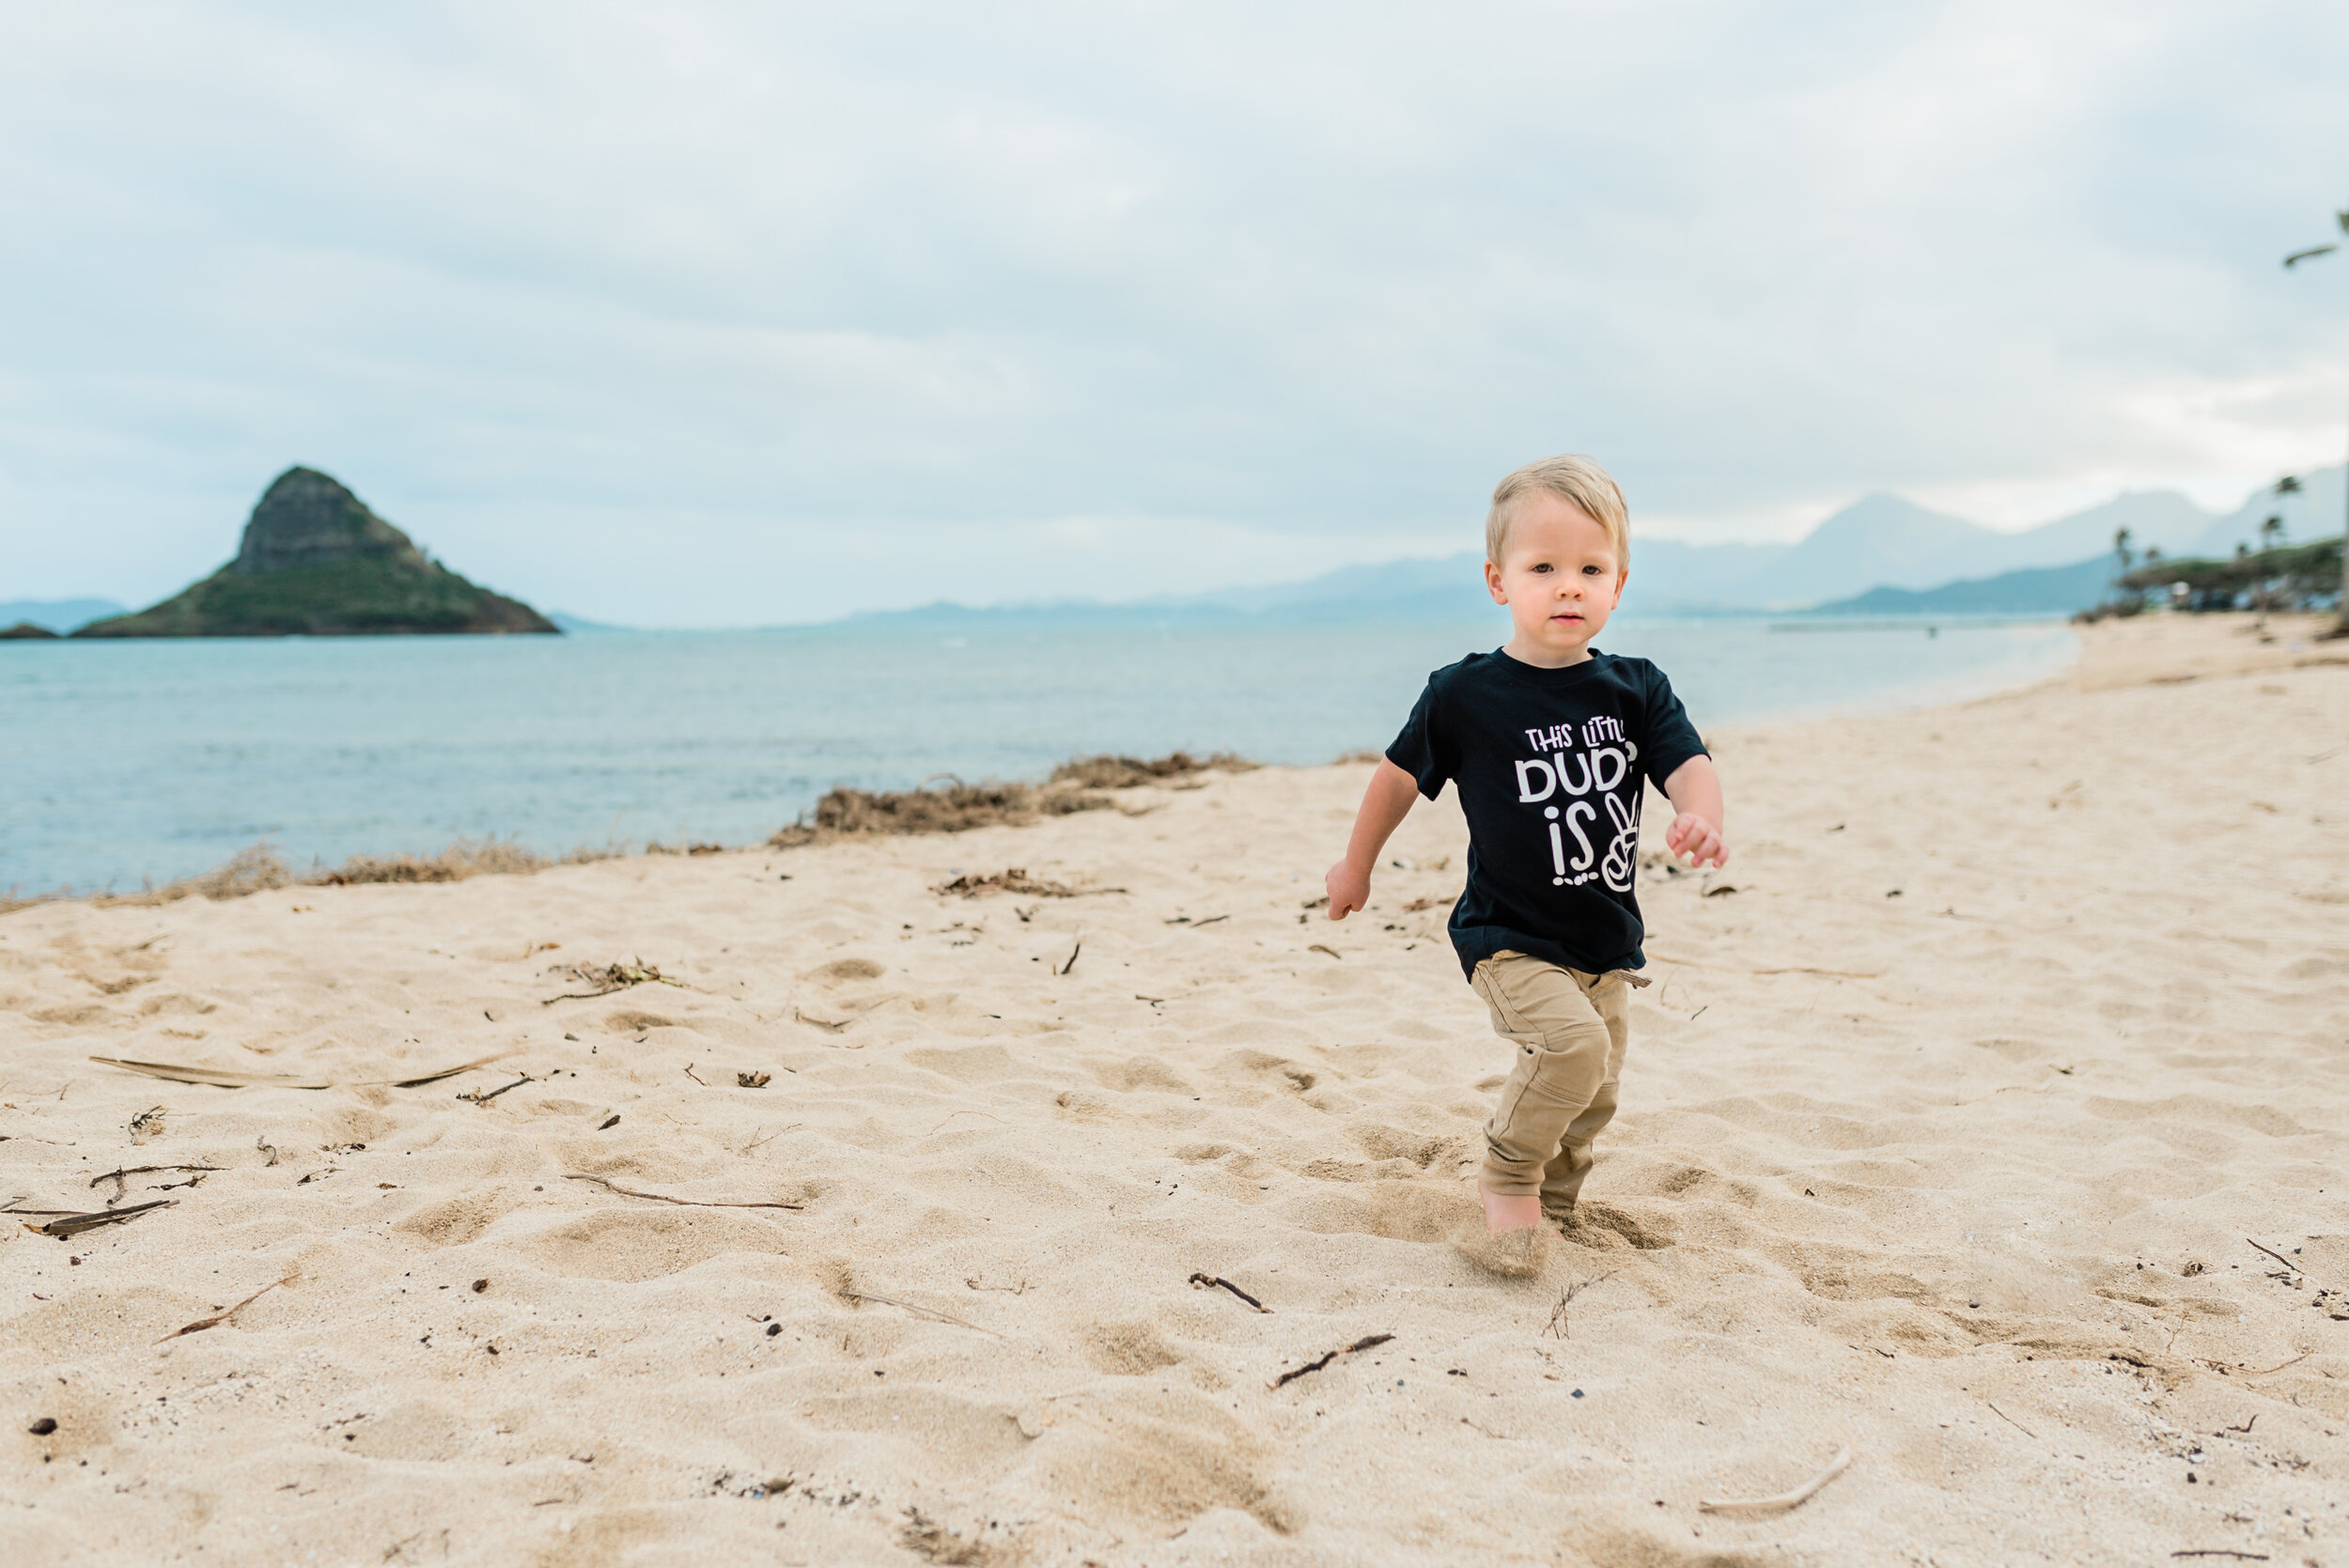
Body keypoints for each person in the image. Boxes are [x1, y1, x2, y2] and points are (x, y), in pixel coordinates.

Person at [1325, 454, 1727, 1241]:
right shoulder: (1465, 693)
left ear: (1618, 581)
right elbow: (1398, 777)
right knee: (1570, 1051)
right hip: (1508, 936)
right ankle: (1508, 1175)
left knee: (1598, 1090)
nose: (1569, 584)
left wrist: (1701, 814)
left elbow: (1688, 763)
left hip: (1605, 940)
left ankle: (1556, 1202)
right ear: (1498, 580)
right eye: (1544, 566)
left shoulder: (1636, 687)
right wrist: (1356, 864)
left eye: (1590, 567)